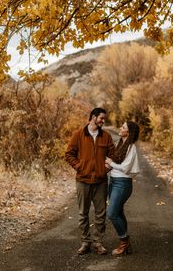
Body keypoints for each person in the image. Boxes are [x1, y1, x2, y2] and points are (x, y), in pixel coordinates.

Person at [65, 108, 115, 255]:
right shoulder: (79, 134)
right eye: (101, 118)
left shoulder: (106, 136)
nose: (103, 121)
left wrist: (104, 169)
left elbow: (113, 155)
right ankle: (85, 242)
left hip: (100, 181)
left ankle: (98, 242)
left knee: (101, 213)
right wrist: (79, 167)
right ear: (93, 117)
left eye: (104, 119)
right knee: (83, 213)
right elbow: (69, 154)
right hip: (83, 180)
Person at [105, 121, 140, 256]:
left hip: (123, 184)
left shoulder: (131, 147)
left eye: (123, 127)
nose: (120, 128)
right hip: (113, 181)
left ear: (129, 132)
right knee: (118, 212)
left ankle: (124, 242)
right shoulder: (121, 144)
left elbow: (125, 168)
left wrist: (111, 162)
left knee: (112, 213)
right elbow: (114, 163)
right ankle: (125, 244)